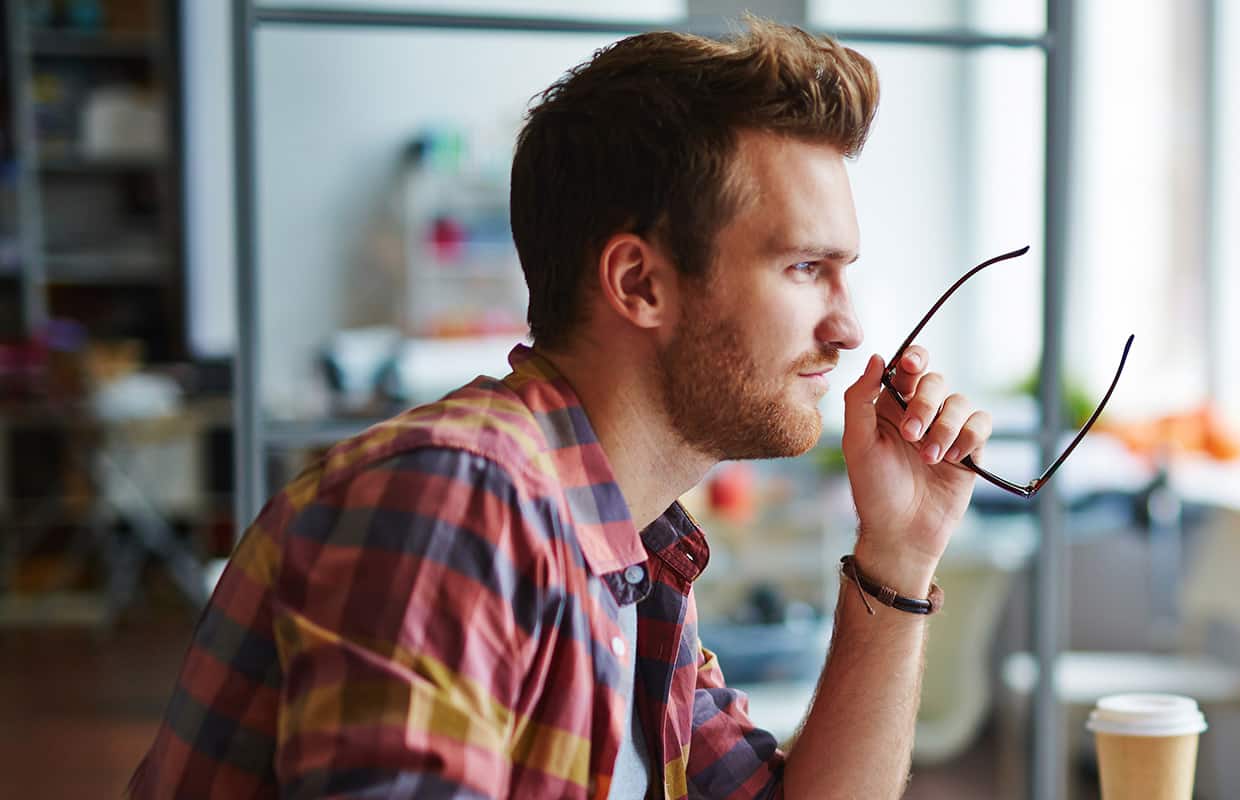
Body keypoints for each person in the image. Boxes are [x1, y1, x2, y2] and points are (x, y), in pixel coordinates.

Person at [131, 18, 991, 799]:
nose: (848, 328)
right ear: (638, 282)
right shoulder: (454, 503)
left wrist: (900, 552)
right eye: (806, 268)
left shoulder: (636, 552)